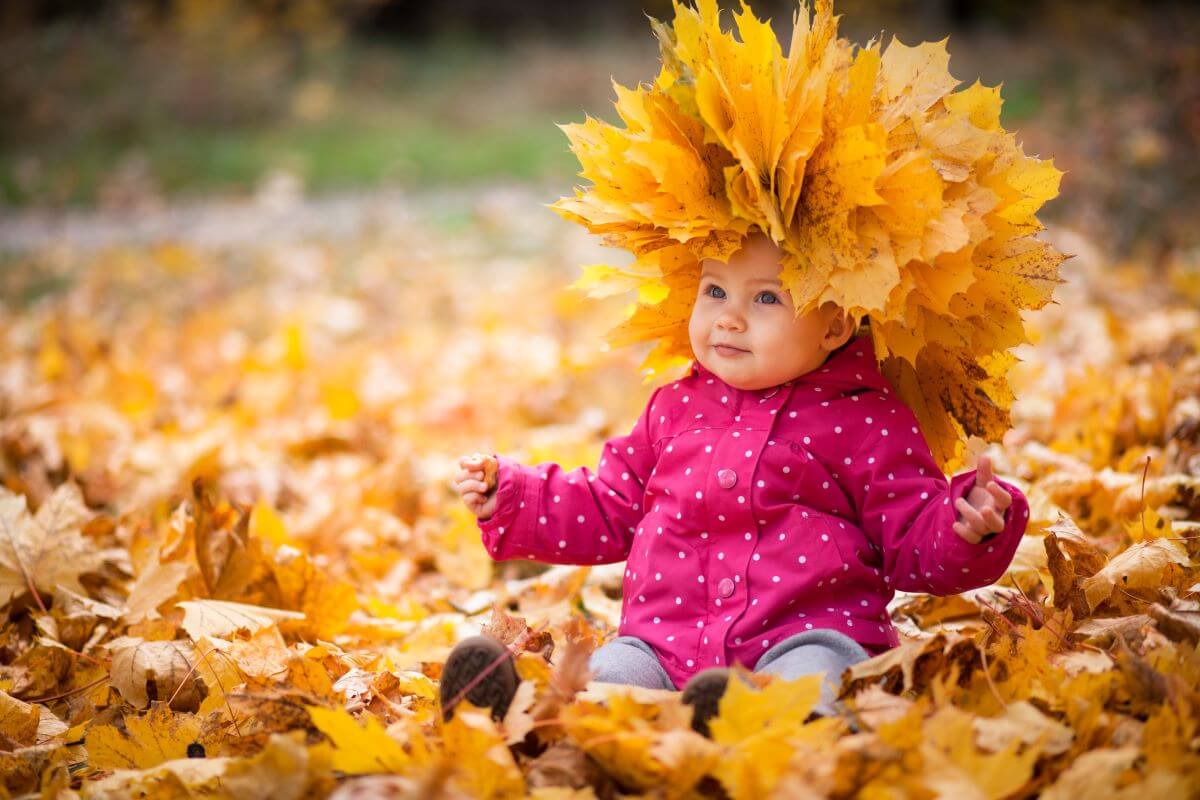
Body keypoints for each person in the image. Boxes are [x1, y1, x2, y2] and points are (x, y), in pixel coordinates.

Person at [442, 0, 1060, 737]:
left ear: (835, 320)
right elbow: (608, 505)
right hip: (664, 646)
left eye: (766, 297)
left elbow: (910, 539)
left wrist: (968, 529)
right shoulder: (674, 410)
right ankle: (526, 716)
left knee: (815, 676)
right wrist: (510, 496)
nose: (728, 316)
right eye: (714, 291)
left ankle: (766, 722)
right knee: (613, 677)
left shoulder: (865, 417)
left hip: (804, 636)